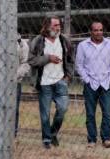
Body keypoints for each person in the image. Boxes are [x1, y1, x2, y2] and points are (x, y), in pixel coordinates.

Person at [28, 17, 75, 149]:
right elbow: (31, 60)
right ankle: (47, 140)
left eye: (59, 25)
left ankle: (53, 133)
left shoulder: (64, 40)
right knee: (45, 114)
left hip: (61, 82)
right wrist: (48, 58)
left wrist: (68, 77)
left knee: (62, 109)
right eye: (54, 25)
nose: (57, 27)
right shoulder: (38, 41)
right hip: (44, 83)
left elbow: (71, 59)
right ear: (47, 26)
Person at [75, 21, 110, 148]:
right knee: (90, 113)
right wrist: (87, 80)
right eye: (95, 30)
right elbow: (79, 65)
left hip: (106, 83)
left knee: (107, 112)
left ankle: (106, 139)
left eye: (100, 30)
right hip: (91, 84)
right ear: (91, 31)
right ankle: (92, 140)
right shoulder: (83, 45)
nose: (98, 32)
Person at [0, 32, 30, 137]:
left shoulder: (22, 43)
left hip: (14, 84)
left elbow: (25, 63)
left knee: (13, 111)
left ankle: (12, 136)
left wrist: (14, 76)